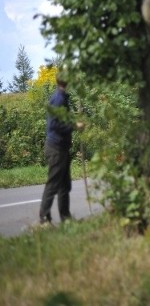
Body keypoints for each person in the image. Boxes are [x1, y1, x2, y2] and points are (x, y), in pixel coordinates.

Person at [39, 73, 83, 225]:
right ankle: (44, 219)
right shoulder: (58, 99)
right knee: (53, 183)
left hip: (61, 147)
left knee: (65, 185)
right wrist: (74, 126)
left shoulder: (63, 97)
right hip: (55, 148)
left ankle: (66, 218)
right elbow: (54, 125)